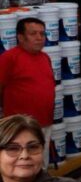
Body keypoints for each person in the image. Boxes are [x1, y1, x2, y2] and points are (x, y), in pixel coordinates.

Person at [0, 18, 55, 152]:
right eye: (33, 33)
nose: (39, 38)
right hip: (20, 127)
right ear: (20, 37)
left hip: (44, 122)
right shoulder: (9, 58)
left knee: (42, 163)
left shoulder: (45, 57)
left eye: (42, 34)